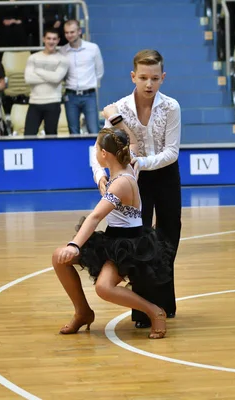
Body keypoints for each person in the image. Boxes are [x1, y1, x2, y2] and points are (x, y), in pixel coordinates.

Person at [52, 127, 172, 339]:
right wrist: (117, 119)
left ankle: (155, 312)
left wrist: (74, 246)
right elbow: (133, 142)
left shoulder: (121, 183)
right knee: (58, 259)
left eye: (97, 149)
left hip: (129, 245)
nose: (95, 153)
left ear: (104, 154)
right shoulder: (129, 164)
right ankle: (83, 312)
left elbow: (95, 217)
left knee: (104, 288)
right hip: (113, 238)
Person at [91, 49, 181, 329]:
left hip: (165, 175)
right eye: (143, 77)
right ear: (133, 76)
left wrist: (138, 161)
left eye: (155, 78)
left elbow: (171, 152)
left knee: (169, 237)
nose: (149, 84)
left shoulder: (172, 107)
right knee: (140, 243)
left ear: (163, 77)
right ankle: (142, 311)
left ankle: (165, 304)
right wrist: (100, 177)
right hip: (133, 182)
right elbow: (100, 146)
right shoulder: (118, 108)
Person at [60, 20, 104, 134]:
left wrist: (90, 84)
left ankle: (95, 152)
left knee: (93, 129)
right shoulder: (62, 51)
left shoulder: (93, 48)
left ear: (79, 31)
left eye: (72, 32)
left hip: (89, 95)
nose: (69, 35)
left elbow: (99, 71)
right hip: (70, 96)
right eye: (66, 32)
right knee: (73, 131)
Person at [23, 29, 69, 136]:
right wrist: (50, 75)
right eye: (48, 38)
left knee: (51, 136)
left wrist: (38, 71)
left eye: (54, 39)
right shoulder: (33, 58)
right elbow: (29, 78)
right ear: (44, 39)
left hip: (53, 102)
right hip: (34, 102)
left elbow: (56, 78)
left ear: (58, 40)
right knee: (28, 135)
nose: (51, 41)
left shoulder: (63, 60)